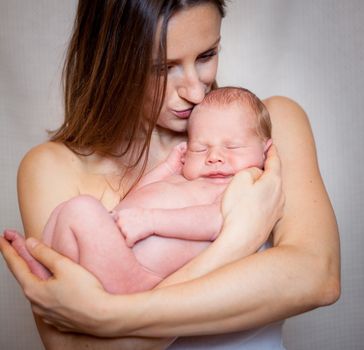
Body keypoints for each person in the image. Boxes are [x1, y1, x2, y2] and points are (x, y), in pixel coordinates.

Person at [0, 1, 340, 349]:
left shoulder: (266, 127)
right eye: (163, 67)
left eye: (207, 54)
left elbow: (318, 277)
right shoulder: (51, 166)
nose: (195, 91)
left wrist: (105, 314)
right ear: (111, 60)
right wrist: (237, 242)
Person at [5, 87, 273, 294]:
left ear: (265, 148)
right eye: (200, 148)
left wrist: (151, 221)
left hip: (140, 276)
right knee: (66, 211)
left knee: (82, 208)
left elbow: (213, 222)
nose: (214, 157)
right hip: (116, 257)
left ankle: (51, 270)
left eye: (232, 148)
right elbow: (136, 199)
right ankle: (50, 271)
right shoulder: (186, 178)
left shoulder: (241, 185)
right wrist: (167, 168)